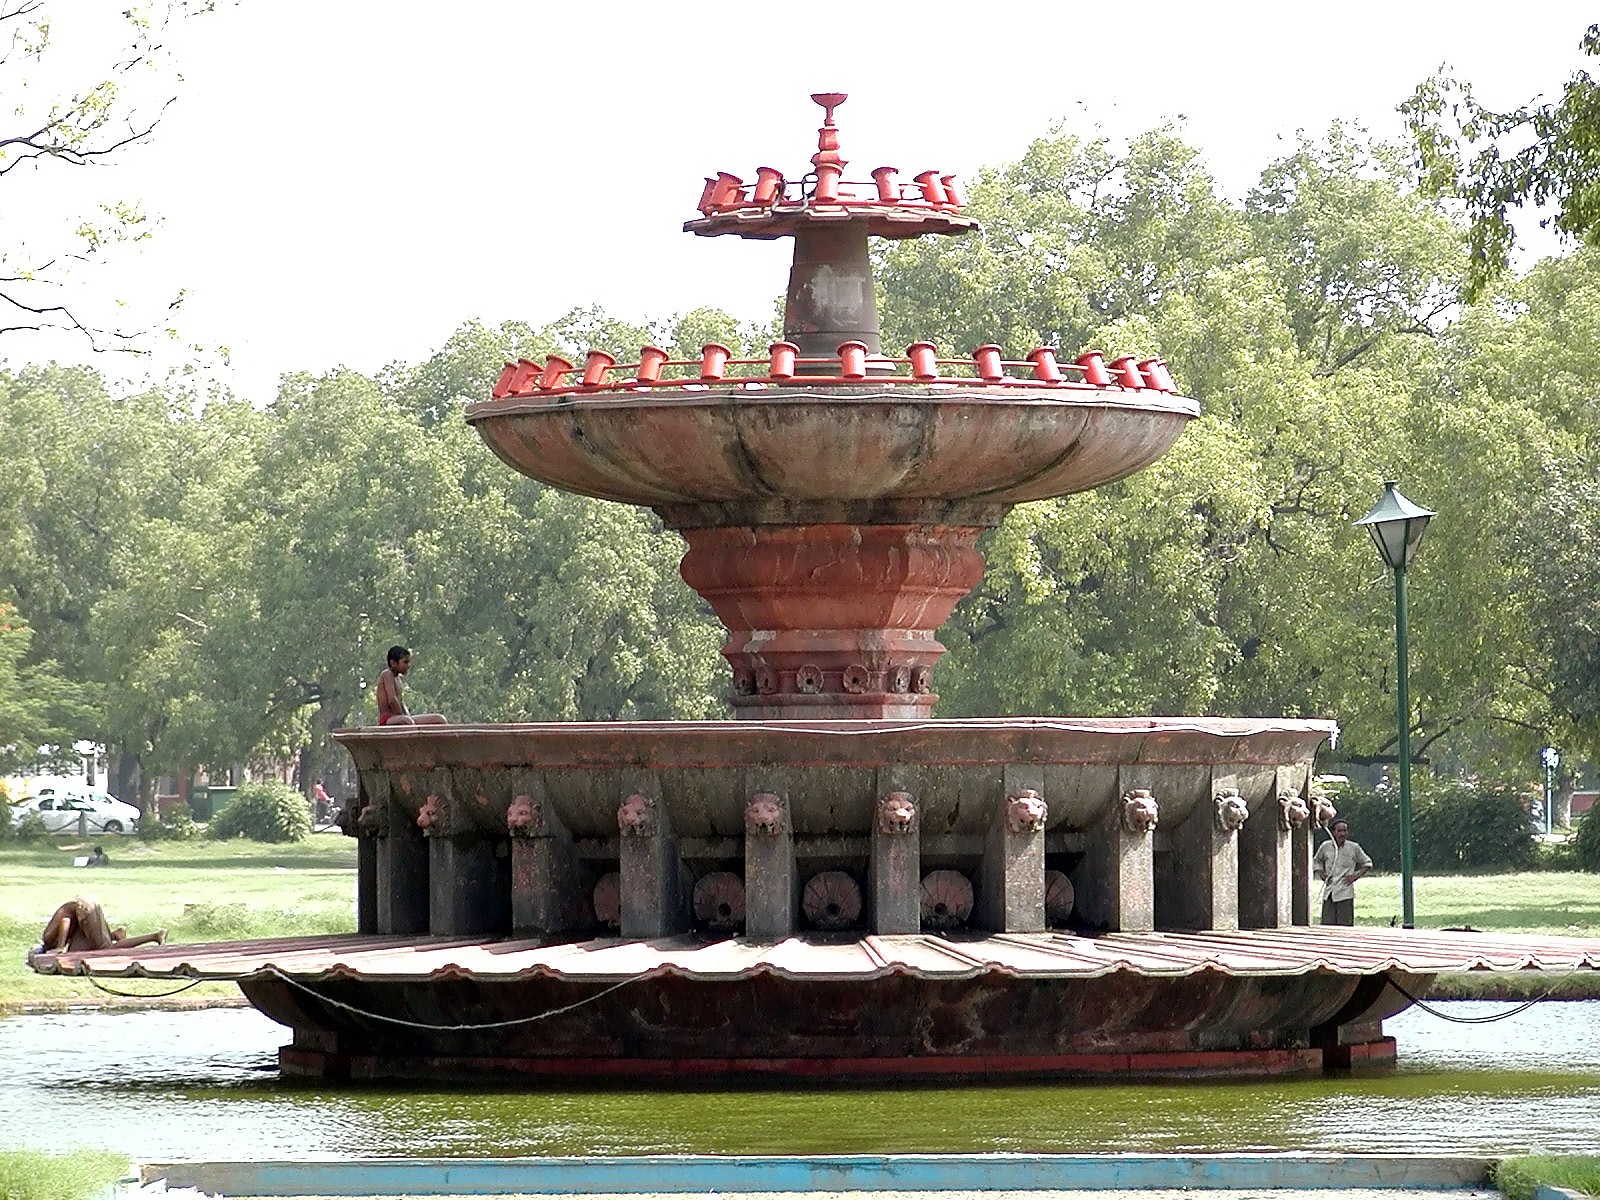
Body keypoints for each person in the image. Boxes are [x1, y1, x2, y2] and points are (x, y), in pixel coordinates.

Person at [30, 895, 165, 959]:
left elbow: (66, 920)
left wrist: (59, 948)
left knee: (106, 949)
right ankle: (114, 935)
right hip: (82, 913)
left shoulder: (47, 939)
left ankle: (154, 936)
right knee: (75, 954)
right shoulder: (53, 940)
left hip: (84, 907)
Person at [1313, 818, 1373, 926]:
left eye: (1345, 830)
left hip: (1345, 891)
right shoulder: (1326, 846)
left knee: (1345, 924)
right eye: (1339, 831)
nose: (1342, 834)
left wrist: (1355, 876)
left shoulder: (1354, 847)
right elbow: (1316, 861)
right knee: (1327, 924)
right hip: (1329, 891)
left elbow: (1367, 863)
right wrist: (1322, 874)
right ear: (1333, 832)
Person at [375, 645, 446, 726]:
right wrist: (404, 717)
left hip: (401, 718)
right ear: (393, 663)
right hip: (387, 720)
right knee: (407, 721)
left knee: (439, 719)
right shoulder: (387, 674)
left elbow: (401, 703)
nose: (408, 665)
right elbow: (392, 700)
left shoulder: (397, 678)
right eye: (405, 662)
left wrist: (407, 716)